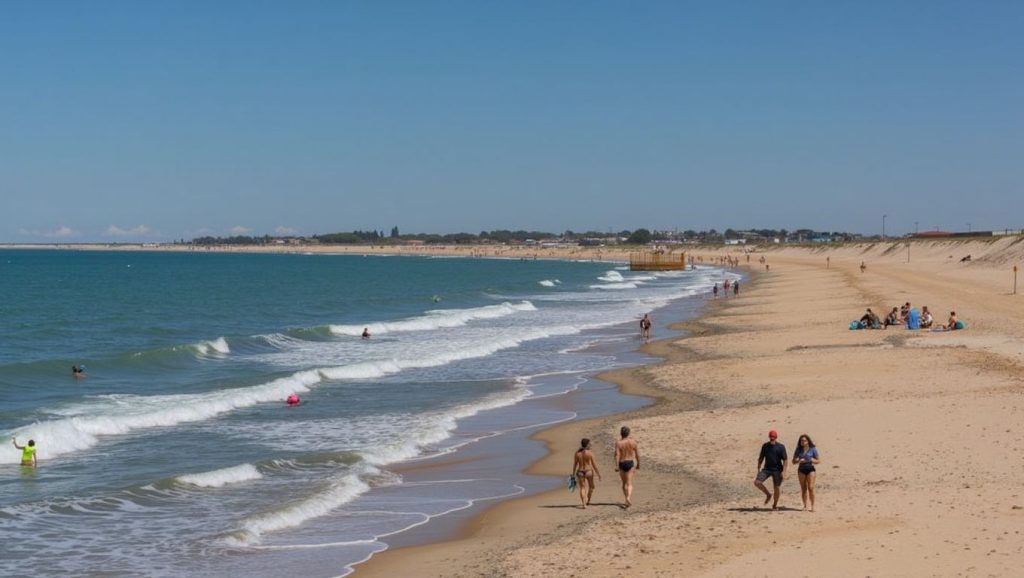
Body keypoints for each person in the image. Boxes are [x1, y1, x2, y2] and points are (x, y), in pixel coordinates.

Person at [754, 430, 788, 509]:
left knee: (777, 487)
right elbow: (761, 458)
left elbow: (785, 460)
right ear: (769, 437)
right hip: (767, 469)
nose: (772, 438)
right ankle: (768, 494)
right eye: (771, 437)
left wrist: (784, 471)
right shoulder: (765, 446)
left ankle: (775, 505)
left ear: (776, 437)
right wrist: (758, 469)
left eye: (773, 437)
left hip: (777, 470)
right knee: (757, 482)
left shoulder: (781, 447)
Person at [792, 434, 820, 512]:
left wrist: (811, 459)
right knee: (803, 488)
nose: (803, 442)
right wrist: (798, 460)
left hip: (810, 469)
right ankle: (805, 506)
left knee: (811, 487)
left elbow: (818, 460)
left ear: (808, 441)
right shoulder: (798, 449)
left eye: (804, 440)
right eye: (801, 440)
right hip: (801, 469)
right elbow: (793, 461)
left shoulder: (812, 449)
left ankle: (813, 506)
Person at [614, 426, 640, 508]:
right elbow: (637, 454)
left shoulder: (618, 443)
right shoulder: (633, 442)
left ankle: (626, 498)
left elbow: (617, 455)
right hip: (630, 462)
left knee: (624, 483)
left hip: (622, 463)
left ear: (621, 433)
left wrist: (617, 465)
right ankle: (628, 498)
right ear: (628, 433)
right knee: (629, 483)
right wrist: (639, 463)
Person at [572, 438, 602, 508]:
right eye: (589, 444)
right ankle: (588, 499)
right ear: (587, 444)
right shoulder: (590, 452)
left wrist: (573, 474)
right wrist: (598, 474)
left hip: (580, 471)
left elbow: (575, 464)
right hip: (588, 471)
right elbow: (594, 465)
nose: (590, 445)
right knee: (591, 487)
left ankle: (584, 504)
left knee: (582, 488)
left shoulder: (577, 453)